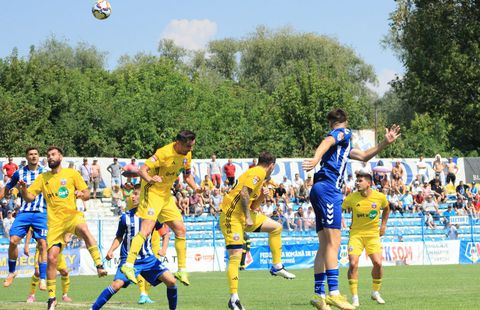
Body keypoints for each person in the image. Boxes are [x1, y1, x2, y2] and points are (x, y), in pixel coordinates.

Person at [302, 108, 400, 310]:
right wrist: (315, 159)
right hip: (329, 190)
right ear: (344, 122)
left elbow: (364, 155)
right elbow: (328, 141)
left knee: (324, 245)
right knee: (334, 243)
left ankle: (319, 295)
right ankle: (335, 293)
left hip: (319, 190)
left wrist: (384, 143)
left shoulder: (343, 148)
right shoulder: (343, 133)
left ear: (330, 122)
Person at [18, 146, 107, 310]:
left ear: (61, 156)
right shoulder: (42, 177)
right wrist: (23, 188)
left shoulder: (72, 174)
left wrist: (82, 194)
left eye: (53, 154)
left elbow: (86, 193)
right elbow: (29, 197)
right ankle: (52, 298)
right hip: (54, 224)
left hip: (72, 216)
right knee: (51, 258)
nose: (50, 157)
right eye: (48, 155)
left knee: (85, 230)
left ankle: (99, 265)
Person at [120, 130, 201, 287]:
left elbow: (187, 176)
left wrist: (196, 189)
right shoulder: (163, 153)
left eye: (192, 146)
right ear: (178, 143)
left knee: (180, 230)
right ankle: (128, 265)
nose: (190, 149)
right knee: (147, 229)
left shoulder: (187, 155)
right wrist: (151, 179)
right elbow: (141, 170)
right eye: (188, 146)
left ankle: (182, 269)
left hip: (165, 196)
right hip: (152, 193)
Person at [220, 151, 295, 310]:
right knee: (235, 256)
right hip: (232, 216)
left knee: (276, 228)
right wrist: (248, 217)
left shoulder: (258, 175)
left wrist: (261, 196)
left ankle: (277, 266)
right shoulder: (258, 172)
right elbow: (244, 193)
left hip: (244, 214)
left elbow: (253, 205)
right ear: (272, 165)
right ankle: (234, 298)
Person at [91, 184, 177, 310]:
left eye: (136, 194)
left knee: (172, 281)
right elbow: (119, 236)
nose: (133, 197)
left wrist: (164, 248)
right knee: (116, 285)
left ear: (143, 196)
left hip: (148, 259)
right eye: (133, 194)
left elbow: (165, 233)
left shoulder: (152, 217)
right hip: (129, 260)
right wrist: (110, 250)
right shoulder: (126, 217)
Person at [0, 147, 48, 290]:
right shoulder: (19, 172)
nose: (33, 156)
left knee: (42, 243)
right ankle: (12, 271)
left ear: (39, 156)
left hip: (41, 212)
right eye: (30, 154)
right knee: (13, 240)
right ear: (26, 157)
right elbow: (8, 186)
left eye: (35, 154)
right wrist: (3, 196)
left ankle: (43, 278)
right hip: (24, 212)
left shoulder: (46, 172)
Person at [342, 171, 390, 307]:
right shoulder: (351, 197)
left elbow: (387, 209)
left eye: (360, 181)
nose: (357, 183)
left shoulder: (379, 197)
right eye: (357, 181)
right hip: (356, 234)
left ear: (369, 183)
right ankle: (355, 298)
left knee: (378, 263)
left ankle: (375, 292)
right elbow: (339, 208)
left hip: (372, 235)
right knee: (352, 263)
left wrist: (384, 225)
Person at [25, 229, 72, 303]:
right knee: (37, 273)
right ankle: (32, 295)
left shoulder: (60, 219)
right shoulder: (40, 219)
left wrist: (68, 235)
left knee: (65, 272)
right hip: (42, 250)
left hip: (57, 251)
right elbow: (30, 231)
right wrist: (26, 245)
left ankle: (65, 295)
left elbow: (70, 227)